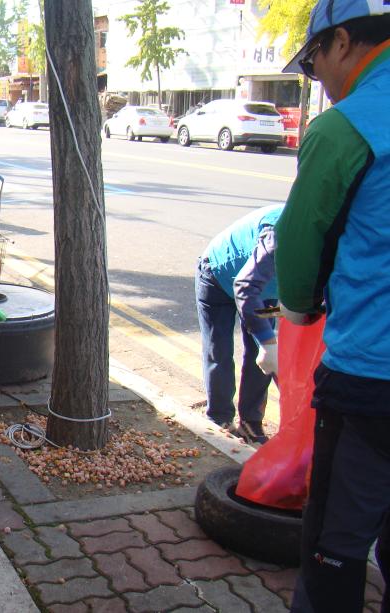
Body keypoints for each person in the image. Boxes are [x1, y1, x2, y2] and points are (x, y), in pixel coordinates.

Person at [274, 2, 390, 610]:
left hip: (371, 382)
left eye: (314, 61)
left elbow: (298, 248)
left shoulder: (346, 126)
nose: (319, 77)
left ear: (341, 42)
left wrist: (296, 311)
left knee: (334, 554)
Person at [195, 204, 283, 444]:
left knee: (261, 355)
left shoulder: (331, 240)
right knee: (219, 350)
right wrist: (267, 342)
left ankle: (250, 422)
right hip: (217, 275)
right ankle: (220, 417)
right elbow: (245, 288)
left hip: (264, 288)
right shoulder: (279, 232)